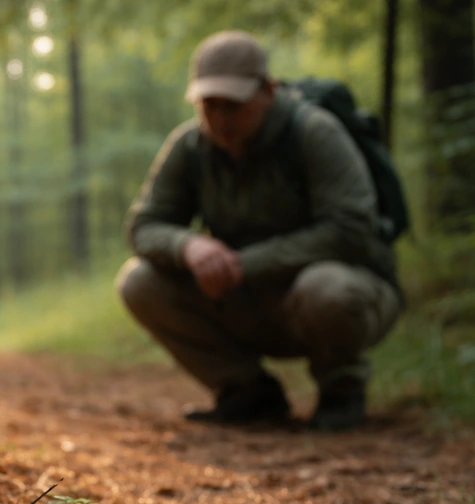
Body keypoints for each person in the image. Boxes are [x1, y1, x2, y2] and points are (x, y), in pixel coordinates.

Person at [117, 30, 403, 431]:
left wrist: (243, 265)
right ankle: (247, 392)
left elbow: (351, 230)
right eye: (208, 105)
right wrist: (188, 246)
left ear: (268, 90)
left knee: (327, 288)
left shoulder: (315, 133)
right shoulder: (188, 147)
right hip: (248, 300)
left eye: (233, 105)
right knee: (139, 281)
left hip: (341, 295)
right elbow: (144, 225)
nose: (220, 118)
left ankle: (342, 393)